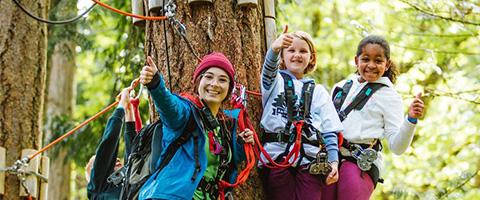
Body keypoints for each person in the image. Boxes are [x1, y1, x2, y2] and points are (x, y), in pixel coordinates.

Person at [137, 53, 255, 200]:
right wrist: (156, 84)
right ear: (198, 81)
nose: (215, 84)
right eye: (209, 77)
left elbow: (219, 162)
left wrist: (240, 145)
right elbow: (169, 106)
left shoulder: (223, 126)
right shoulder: (186, 112)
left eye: (222, 80)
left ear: (229, 89)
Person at [326, 35, 425, 199]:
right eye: (366, 59)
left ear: (387, 64)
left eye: (378, 61)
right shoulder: (341, 87)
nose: (371, 65)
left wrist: (411, 119)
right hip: (332, 158)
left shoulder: (389, 96)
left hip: (360, 163)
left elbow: (397, 147)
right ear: (356, 60)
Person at [260, 29, 344, 200]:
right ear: (282, 56)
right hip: (277, 159)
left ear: (311, 57)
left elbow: (329, 130)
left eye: (303, 51)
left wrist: (334, 162)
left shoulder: (319, 92)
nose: (297, 55)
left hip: (309, 163)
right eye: (291, 50)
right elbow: (268, 70)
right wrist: (274, 50)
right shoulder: (274, 82)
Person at [86, 88, 137, 199]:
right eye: (111, 162)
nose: (116, 159)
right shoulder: (97, 189)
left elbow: (134, 154)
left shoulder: (123, 181)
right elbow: (108, 144)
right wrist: (122, 104)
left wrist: (128, 109)